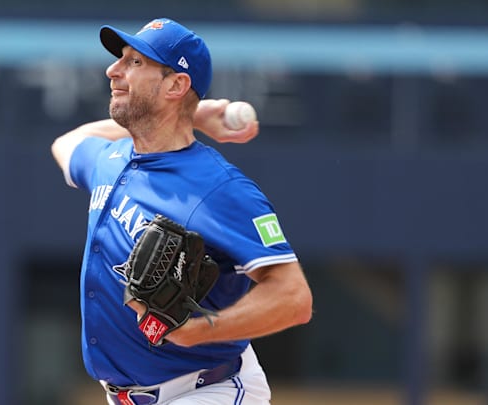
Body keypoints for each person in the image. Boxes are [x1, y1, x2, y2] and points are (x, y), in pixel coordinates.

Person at [51, 17, 312, 405]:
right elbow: (67, 142)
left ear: (176, 84)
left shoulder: (219, 188)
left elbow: (294, 299)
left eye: (135, 62)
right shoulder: (111, 159)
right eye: (120, 59)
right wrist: (198, 114)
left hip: (207, 390)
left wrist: (199, 330)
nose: (113, 70)